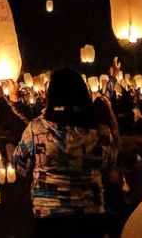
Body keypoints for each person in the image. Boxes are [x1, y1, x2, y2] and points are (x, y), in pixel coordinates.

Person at [13, 68, 119, 237]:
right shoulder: (101, 131)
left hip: (50, 218)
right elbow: (109, 163)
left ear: (51, 95)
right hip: (91, 217)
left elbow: (20, 166)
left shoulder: (37, 129)